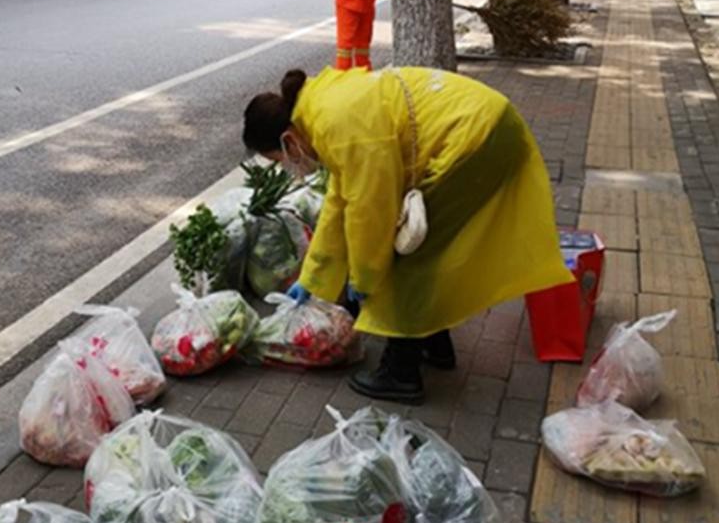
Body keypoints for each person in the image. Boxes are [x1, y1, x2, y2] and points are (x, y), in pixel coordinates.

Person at [242, 66, 571, 402]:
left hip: (475, 137)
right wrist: (312, 277)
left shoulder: (336, 122)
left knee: (407, 258)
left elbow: (371, 211)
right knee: (424, 253)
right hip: (486, 126)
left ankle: (400, 372)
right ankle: (434, 343)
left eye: (279, 158)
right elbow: (340, 203)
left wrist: (366, 277)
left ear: (288, 138)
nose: (288, 166)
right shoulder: (322, 107)